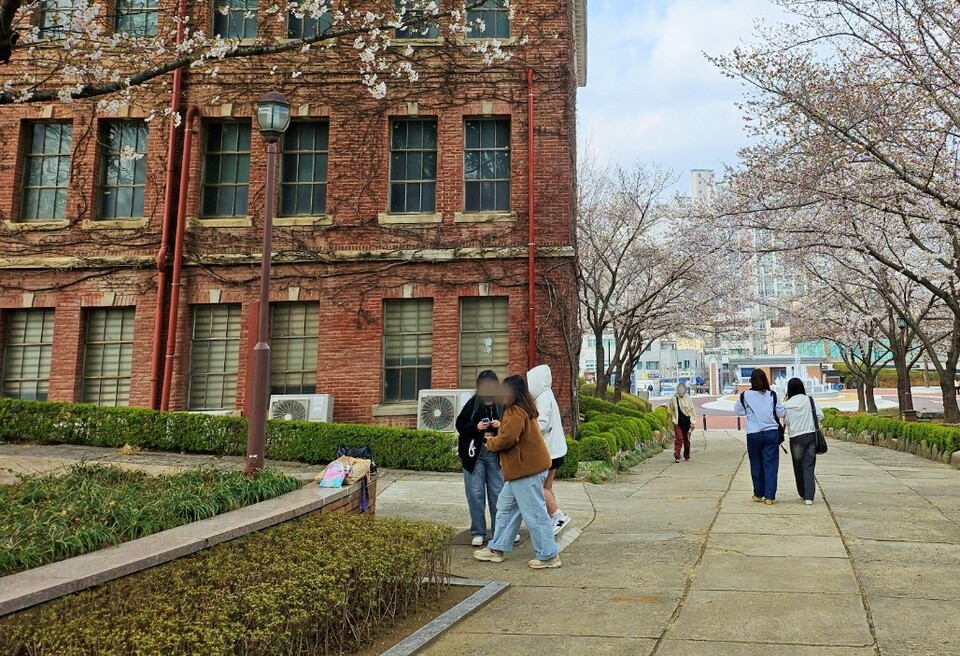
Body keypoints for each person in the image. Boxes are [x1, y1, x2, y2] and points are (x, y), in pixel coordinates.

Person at [474, 375, 561, 569]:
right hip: (522, 471)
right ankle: (497, 548)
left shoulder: (514, 411)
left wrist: (490, 443)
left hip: (526, 470)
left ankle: (549, 555)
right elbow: (512, 433)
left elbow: (508, 439)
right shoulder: (521, 408)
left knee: (534, 513)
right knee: (505, 509)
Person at [455, 370, 505, 547]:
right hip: (475, 454)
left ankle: (500, 531)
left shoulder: (502, 404)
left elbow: (512, 427)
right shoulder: (473, 403)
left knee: (497, 494)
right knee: (475, 493)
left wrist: (500, 425)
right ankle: (478, 531)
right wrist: (476, 427)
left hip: (496, 454)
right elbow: (460, 424)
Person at [527, 364, 571, 534]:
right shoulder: (548, 395)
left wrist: (528, 429)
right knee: (547, 486)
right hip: (557, 450)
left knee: (539, 487)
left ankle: (557, 515)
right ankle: (552, 518)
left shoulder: (543, 398)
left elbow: (542, 424)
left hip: (549, 452)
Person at [734, 370, 785, 505]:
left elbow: (738, 410)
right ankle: (769, 496)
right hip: (771, 433)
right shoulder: (772, 395)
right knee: (771, 464)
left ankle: (758, 493)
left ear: (751, 380)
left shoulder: (745, 395)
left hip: (753, 433)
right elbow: (780, 413)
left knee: (756, 463)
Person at [783, 377, 824, 505]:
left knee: (798, 465)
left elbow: (787, 422)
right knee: (809, 465)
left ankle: (802, 491)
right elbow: (820, 415)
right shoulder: (809, 400)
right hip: (810, 436)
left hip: (795, 438)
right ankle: (809, 497)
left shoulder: (787, 405)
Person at [667, 382, 697, 463]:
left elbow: (692, 411)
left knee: (686, 440)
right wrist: (671, 416)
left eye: (682, 388)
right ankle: (677, 455)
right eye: (679, 388)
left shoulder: (688, 399)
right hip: (677, 422)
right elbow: (670, 409)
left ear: (685, 390)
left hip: (687, 422)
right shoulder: (673, 399)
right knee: (679, 438)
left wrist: (693, 422)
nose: (680, 390)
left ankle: (687, 455)